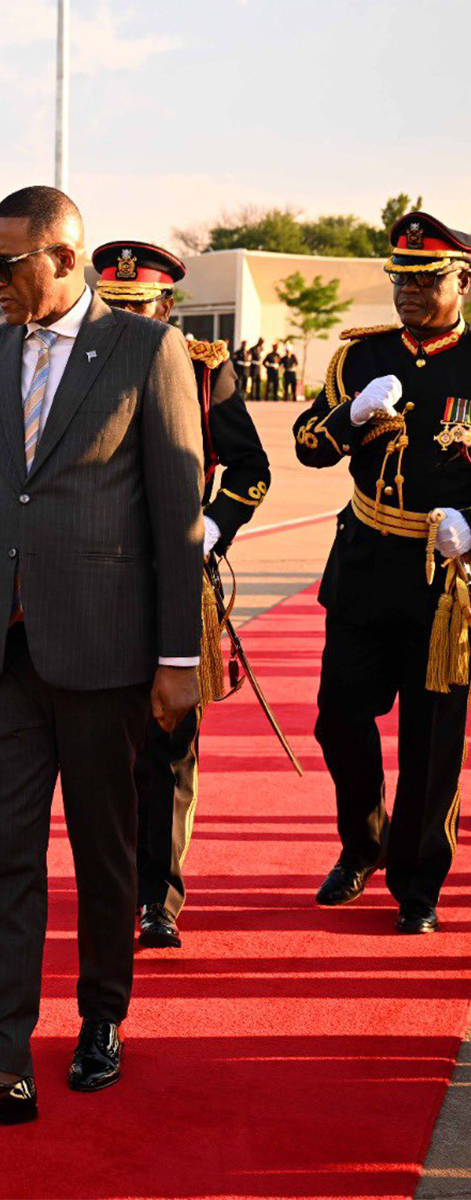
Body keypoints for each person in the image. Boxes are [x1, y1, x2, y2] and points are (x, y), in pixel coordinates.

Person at [0, 186, 202, 1136]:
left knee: (106, 851)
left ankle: (102, 1017)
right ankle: (2, 1064)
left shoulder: (148, 352)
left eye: (5, 263)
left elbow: (174, 513)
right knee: (7, 860)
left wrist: (178, 655)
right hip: (5, 651)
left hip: (109, 649)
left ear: (64, 257)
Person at [293, 210, 471, 935]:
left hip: (444, 579)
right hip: (366, 566)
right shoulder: (361, 358)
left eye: (425, 281)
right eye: (400, 278)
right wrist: (351, 417)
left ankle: (418, 880)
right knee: (340, 718)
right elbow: (309, 446)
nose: (408, 292)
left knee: (433, 741)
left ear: (462, 279)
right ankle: (362, 843)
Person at [91, 240, 272, 950]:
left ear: (167, 307)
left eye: (139, 307)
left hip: (176, 580)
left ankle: (157, 900)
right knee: (104, 744)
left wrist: (215, 525)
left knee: (168, 746)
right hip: (97, 579)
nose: (125, 318)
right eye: (114, 306)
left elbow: (252, 467)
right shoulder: (72, 362)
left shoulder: (204, 370)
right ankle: (112, 886)